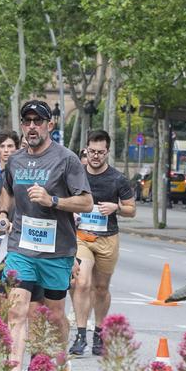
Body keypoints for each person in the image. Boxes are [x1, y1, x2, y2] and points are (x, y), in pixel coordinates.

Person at [0, 99, 92, 371]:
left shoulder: (67, 160)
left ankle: (62, 370)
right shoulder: (16, 161)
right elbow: (7, 190)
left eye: (38, 120)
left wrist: (53, 201)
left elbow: (86, 202)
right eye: (27, 121)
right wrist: (5, 216)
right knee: (17, 310)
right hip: (22, 247)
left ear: (50, 125)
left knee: (55, 315)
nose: (32, 126)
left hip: (57, 250)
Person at [69, 130, 136, 356]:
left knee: (101, 288)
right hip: (82, 237)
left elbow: (131, 209)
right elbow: (67, 200)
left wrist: (116, 208)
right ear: (86, 150)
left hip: (108, 238)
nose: (96, 156)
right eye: (92, 152)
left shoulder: (118, 179)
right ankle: (80, 335)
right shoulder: (76, 175)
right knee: (82, 282)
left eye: (101, 152)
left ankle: (99, 332)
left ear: (107, 152)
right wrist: (73, 213)